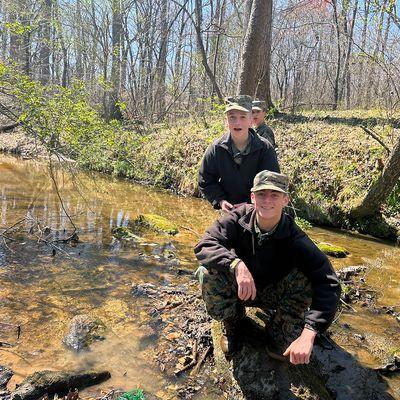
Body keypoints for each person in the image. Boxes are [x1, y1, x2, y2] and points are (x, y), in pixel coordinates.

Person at [194, 170, 341, 364]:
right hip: (241, 290)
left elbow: (329, 283)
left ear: (285, 200)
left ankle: (280, 326)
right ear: (253, 197)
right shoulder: (237, 218)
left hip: (274, 293)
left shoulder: (296, 238)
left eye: (275, 195)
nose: (267, 201)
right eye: (262, 194)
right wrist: (236, 264)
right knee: (207, 272)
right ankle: (232, 320)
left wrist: (310, 332)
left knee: (306, 279)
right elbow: (205, 243)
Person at [198, 95, 279, 212]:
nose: (237, 122)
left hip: (258, 211)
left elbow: (272, 183)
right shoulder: (216, 149)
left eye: (243, 117)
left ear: (251, 120)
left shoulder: (265, 148)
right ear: (226, 121)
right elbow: (205, 180)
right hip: (228, 211)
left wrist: (252, 205)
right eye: (232, 117)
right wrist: (220, 201)